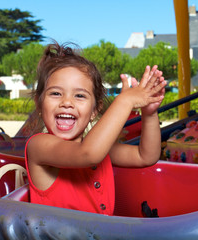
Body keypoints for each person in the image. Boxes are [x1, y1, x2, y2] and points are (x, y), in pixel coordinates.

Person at [25, 41, 166, 216]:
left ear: (94, 111)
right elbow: (88, 154)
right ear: (39, 105)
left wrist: (149, 114)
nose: (67, 103)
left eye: (79, 95)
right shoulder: (39, 146)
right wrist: (124, 101)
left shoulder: (100, 149)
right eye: (55, 93)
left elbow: (146, 156)